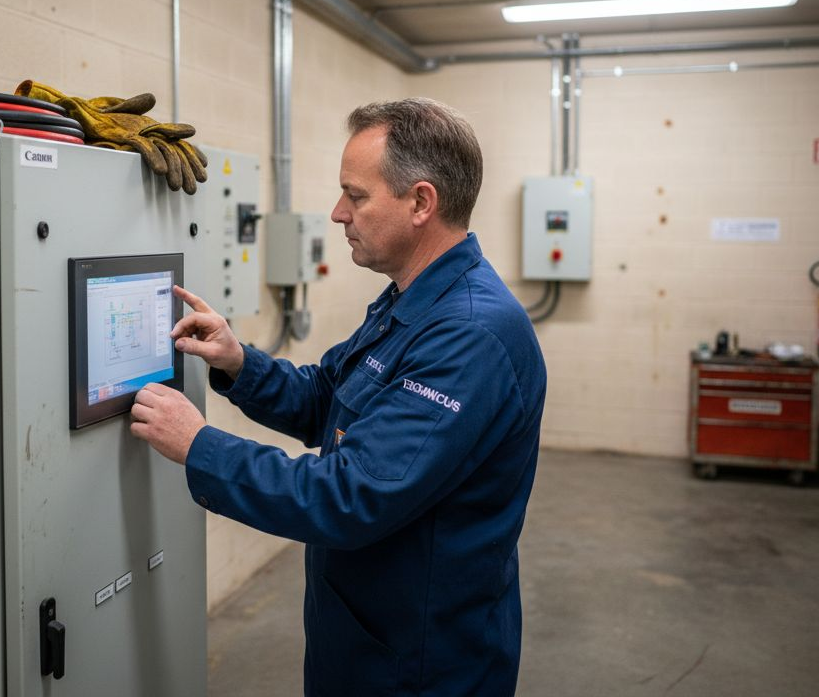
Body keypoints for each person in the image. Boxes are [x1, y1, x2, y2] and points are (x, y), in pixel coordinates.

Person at [129, 98, 546, 696]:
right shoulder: (412, 300)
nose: (337, 213)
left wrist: (199, 446)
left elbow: (351, 497)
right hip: (365, 634)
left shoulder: (470, 334)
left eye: (356, 195)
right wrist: (239, 361)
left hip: (420, 662)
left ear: (421, 202)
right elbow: (330, 397)